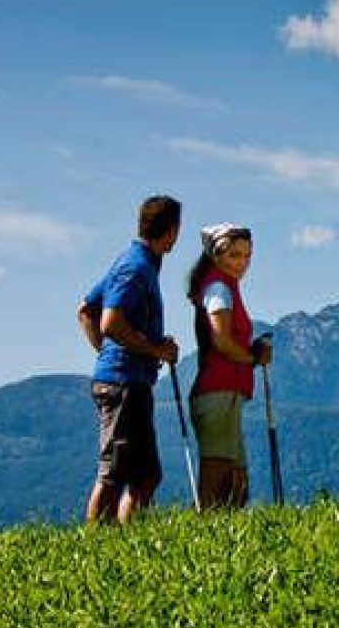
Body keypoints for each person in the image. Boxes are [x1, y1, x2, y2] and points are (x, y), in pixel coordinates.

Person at [78, 195, 181, 524]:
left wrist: (112, 353)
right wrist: (153, 351)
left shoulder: (135, 263)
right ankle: (96, 552)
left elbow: (85, 311)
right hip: (123, 385)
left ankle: (127, 543)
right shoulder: (135, 268)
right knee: (113, 476)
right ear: (172, 231)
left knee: (146, 476)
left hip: (131, 381)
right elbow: (109, 321)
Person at [187, 223, 272, 509]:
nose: (243, 263)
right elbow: (221, 341)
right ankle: (203, 538)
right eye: (235, 255)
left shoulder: (225, 287)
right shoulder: (218, 288)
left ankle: (223, 540)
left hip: (226, 394)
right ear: (216, 255)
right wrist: (252, 358)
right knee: (217, 478)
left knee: (237, 485)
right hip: (218, 392)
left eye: (247, 256)